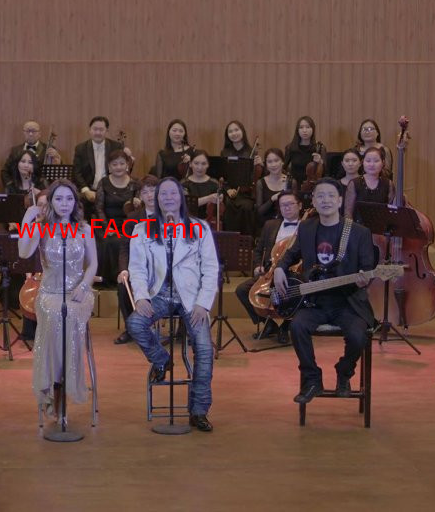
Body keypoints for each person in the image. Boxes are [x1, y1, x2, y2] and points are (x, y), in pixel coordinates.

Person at [127, 177, 220, 432]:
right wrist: (141, 297)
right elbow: (137, 268)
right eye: (163, 194)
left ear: (181, 197)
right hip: (159, 294)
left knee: (204, 349)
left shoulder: (199, 228)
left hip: (191, 298)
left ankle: (199, 410)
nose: (168, 198)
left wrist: (203, 304)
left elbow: (211, 268)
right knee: (135, 323)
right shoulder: (143, 229)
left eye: (173, 193)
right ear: (156, 199)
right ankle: (162, 360)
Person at [273, 178, 377, 404]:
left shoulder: (359, 232)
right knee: (297, 327)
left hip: (348, 302)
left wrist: (363, 280)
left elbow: (367, 268)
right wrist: (280, 268)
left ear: (340, 201)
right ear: (313, 201)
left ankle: (344, 372)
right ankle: (312, 379)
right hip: (314, 302)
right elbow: (291, 255)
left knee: (358, 336)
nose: (326, 200)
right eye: (320, 196)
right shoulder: (307, 228)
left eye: (331, 195)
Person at [17, 180, 98, 418]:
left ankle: (64, 385)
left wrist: (84, 286)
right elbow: (23, 252)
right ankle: (53, 386)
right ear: (51, 202)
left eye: (69, 199)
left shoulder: (84, 229)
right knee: (54, 314)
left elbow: (93, 264)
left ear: (75, 202)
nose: (64, 204)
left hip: (78, 292)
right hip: (49, 293)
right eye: (59, 199)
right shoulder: (41, 227)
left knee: (69, 314)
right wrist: (27, 219)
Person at [235, 191, 303, 344]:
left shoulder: (306, 227)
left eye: (290, 204)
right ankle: (269, 324)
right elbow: (258, 250)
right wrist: (258, 265)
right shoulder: (270, 225)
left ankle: (286, 326)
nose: (286, 208)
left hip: (294, 273)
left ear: (299, 206)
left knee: (296, 293)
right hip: (269, 272)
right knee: (242, 290)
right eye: (283, 205)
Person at [114, 175, 158, 344]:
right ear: (140, 196)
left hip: (162, 269)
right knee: (123, 283)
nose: (149, 195)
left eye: (153, 191)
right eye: (145, 192)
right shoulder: (133, 218)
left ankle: (183, 329)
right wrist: (124, 269)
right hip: (139, 267)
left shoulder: (170, 215)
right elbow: (124, 247)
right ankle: (131, 328)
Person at [94, 150, 137, 284]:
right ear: (109, 166)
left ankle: (127, 277)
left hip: (127, 223)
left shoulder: (134, 183)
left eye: (122, 163)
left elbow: (138, 210)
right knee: (110, 241)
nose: (118, 167)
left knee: (128, 240)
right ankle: (108, 279)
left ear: (127, 165)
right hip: (106, 223)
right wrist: (107, 227)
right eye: (114, 164)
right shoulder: (104, 182)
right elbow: (99, 208)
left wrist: (138, 203)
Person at [218, 120, 261, 235]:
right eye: (230, 131)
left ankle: (246, 239)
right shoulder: (224, 152)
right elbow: (222, 176)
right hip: (230, 192)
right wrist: (227, 190)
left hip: (247, 193)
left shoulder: (251, 152)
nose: (234, 133)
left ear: (242, 131)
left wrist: (260, 164)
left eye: (236, 130)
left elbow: (257, 176)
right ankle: (230, 239)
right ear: (227, 135)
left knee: (247, 207)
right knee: (228, 206)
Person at [72, 116, 127, 205]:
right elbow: (76, 173)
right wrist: (86, 190)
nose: (98, 132)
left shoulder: (116, 147)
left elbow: (122, 171)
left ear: (106, 131)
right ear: (90, 130)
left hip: (110, 192)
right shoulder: (80, 148)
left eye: (101, 130)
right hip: (88, 191)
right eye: (95, 129)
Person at [343, 146, 395, 223]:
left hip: (382, 227)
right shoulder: (354, 183)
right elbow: (348, 214)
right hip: (359, 227)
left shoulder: (388, 183)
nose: (372, 164)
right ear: (362, 162)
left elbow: (392, 211)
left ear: (383, 163)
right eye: (368, 161)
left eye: (376, 161)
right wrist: (348, 230)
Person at [3, 121, 52, 191]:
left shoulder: (48, 149)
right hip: (18, 189)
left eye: (34, 131)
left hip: (40, 190)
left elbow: (54, 172)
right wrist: (10, 185)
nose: (30, 134)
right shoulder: (15, 150)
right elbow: (5, 171)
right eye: (28, 131)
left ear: (39, 134)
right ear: (24, 133)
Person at [255, 148, 297, 224]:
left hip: (286, 222)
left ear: (282, 162)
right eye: (269, 162)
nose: (273, 165)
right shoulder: (260, 183)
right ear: (266, 165)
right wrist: (272, 199)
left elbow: (295, 208)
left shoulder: (291, 182)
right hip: (266, 224)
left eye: (276, 160)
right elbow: (259, 212)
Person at [181, 150, 222, 227]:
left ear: (208, 165)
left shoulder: (214, 183)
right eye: (196, 163)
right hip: (189, 223)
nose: (200, 167)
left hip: (209, 225)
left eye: (203, 164)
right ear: (190, 164)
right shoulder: (184, 184)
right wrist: (209, 198)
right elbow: (187, 205)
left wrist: (220, 199)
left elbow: (218, 210)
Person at [283, 116, 326, 181]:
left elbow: (325, 172)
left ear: (313, 129)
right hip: (295, 184)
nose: (304, 130)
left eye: (308, 127)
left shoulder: (320, 148)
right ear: (297, 130)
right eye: (301, 127)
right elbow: (283, 168)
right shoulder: (290, 147)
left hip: (313, 184)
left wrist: (320, 162)